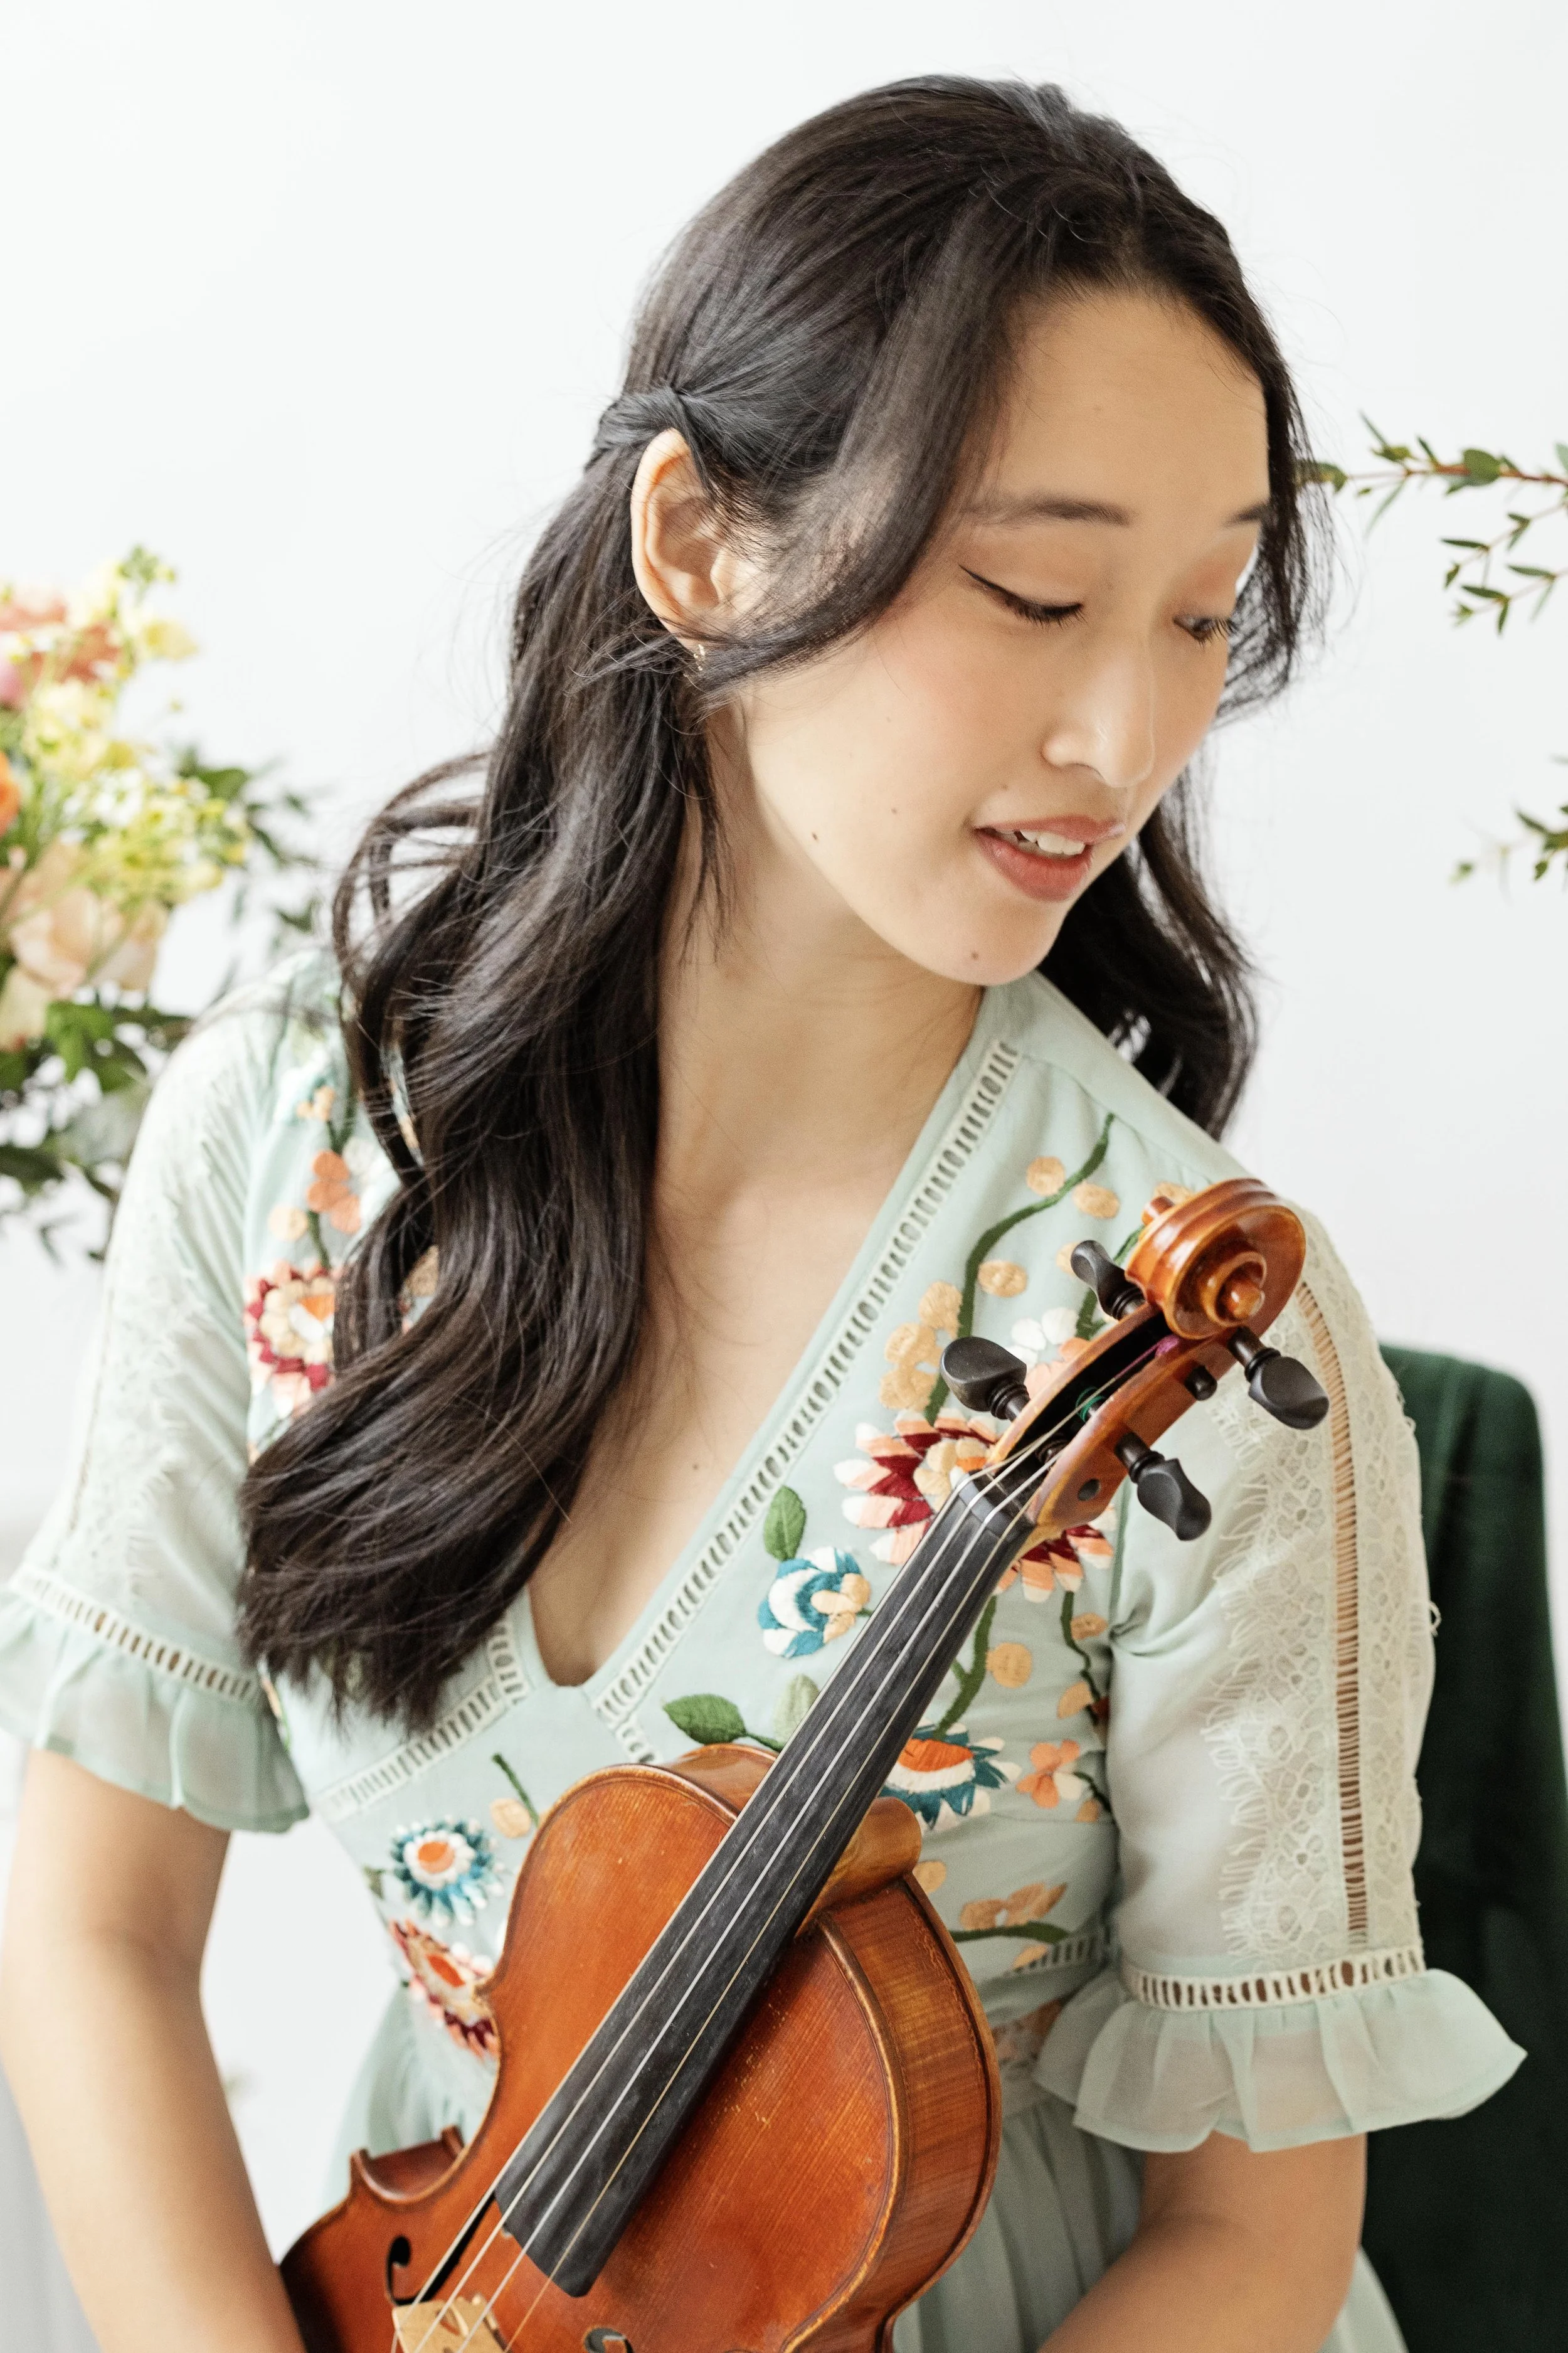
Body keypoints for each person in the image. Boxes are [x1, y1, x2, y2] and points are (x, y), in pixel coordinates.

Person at [0, 75, 1520, 2353]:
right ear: (702, 543)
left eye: (1201, 621)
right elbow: (96, 1920)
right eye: (1032, 590)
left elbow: (1253, 2245)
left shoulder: (1209, 1326)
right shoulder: (279, 1145)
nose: (1124, 732)